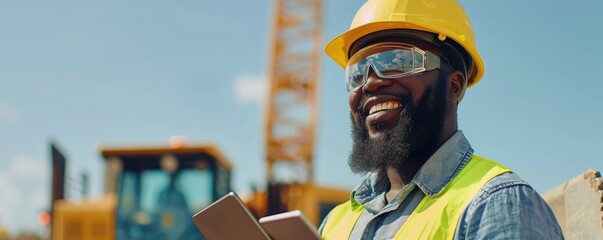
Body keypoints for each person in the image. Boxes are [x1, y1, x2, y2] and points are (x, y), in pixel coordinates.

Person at [318, 0, 564, 239]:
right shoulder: (333, 224)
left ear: (454, 86)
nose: (371, 82)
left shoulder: (496, 204)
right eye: (358, 72)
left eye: (397, 61)